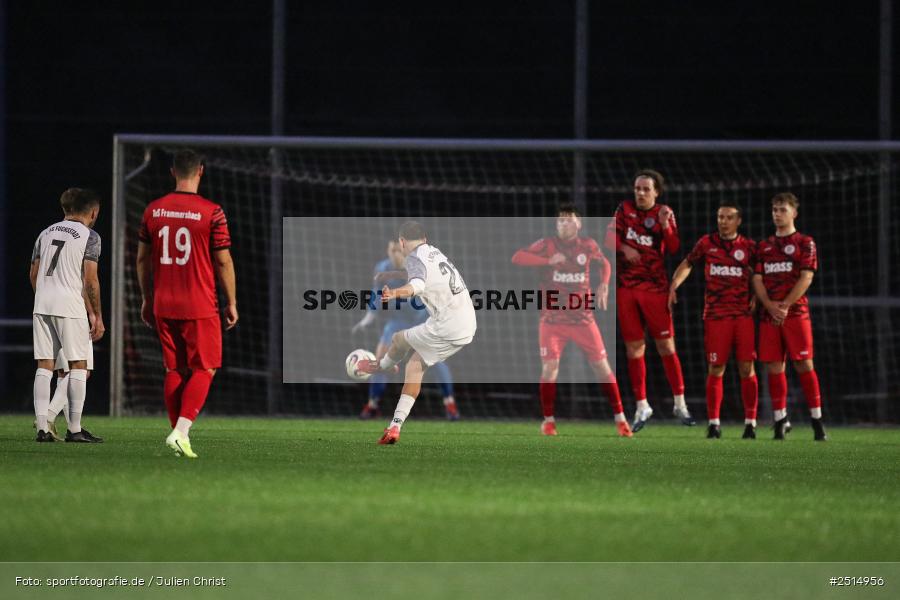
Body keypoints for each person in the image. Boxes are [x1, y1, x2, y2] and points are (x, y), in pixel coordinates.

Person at [136, 149, 238, 458]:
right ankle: (180, 432)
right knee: (205, 368)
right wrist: (232, 301)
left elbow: (142, 259)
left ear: (173, 172)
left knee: (174, 368)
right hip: (199, 302)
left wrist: (146, 297)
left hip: (163, 301)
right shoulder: (212, 212)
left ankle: (178, 435)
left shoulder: (153, 210)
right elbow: (223, 261)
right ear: (200, 171)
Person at [512, 203, 632, 437]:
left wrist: (604, 284)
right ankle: (548, 421)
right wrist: (547, 261)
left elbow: (605, 263)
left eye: (569, 220)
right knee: (550, 368)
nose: (564, 224)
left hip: (583, 319)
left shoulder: (588, 245)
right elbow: (518, 257)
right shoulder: (547, 245)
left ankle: (620, 419)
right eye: (560, 220)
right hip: (552, 320)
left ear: (579, 224)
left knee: (602, 367)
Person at [358, 221, 476, 444]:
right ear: (424, 239)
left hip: (446, 325)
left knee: (397, 339)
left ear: (402, 242)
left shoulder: (413, 258)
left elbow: (417, 285)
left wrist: (393, 293)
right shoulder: (434, 252)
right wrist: (391, 274)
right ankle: (394, 427)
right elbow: (420, 274)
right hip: (467, 324)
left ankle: (383, 366)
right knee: (414, 365)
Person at [604, 170, 695, 432]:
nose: (641, 193)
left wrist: (665, 225)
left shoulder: (664, 212)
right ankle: (642, 405)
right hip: (627, 289)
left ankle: (680, 403)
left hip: (655, 289)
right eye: (637, 188)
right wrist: (624, 247)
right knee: (634, 349)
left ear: (656, 192)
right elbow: (608, 239)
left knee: (666, 346)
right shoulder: (624, 209)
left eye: (646, 189)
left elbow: (674, 247)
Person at [668, 202, 759, 439]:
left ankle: (750, 423)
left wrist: (757, 297)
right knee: (716, 368)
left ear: (738, 221)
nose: (723, 221)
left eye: (729, 217)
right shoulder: (707, 243)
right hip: (716, 316)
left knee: (746, 368)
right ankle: (714, 423)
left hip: (742, 317)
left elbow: (758, 276)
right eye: (720, 217)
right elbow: (688, 263)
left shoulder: (749, 247)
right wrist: (674, 284)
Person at [353, 239, 459, 420]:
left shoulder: (420, 267)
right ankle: (372, 405)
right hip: (399, 321)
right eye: (392, 250)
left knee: (436, 360)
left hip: (423, 320)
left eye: (399, 250)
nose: (395, 254)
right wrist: (367, 320)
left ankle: (450, 404)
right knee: (380, 359)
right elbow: (376, 295)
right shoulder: (382, 268)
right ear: (388, 251)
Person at [30, 187, 104, 443]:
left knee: (45, 365)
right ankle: (74, 429)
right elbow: (91, 280)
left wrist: (44, 295)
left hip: (42, 303)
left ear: (65, 208)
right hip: (70, 305)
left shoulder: (44, 233)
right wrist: (97, 315)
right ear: (93, 212)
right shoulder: (90, 236)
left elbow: (34, 274)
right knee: (79, 366)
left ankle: (43, 427)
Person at [752, 193, 826, 441]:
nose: (777, 214)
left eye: (782, 209)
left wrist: (784, 305)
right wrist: (769, 305)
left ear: (794, 213)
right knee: (774, 366)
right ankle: (780, 420)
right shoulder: (764, 246)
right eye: (774, 209)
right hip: (770, 315)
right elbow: (757, 279)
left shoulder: (805, 242)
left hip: (796, 314)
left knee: (804, 364)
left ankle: (817, 421)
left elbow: (806, 277)